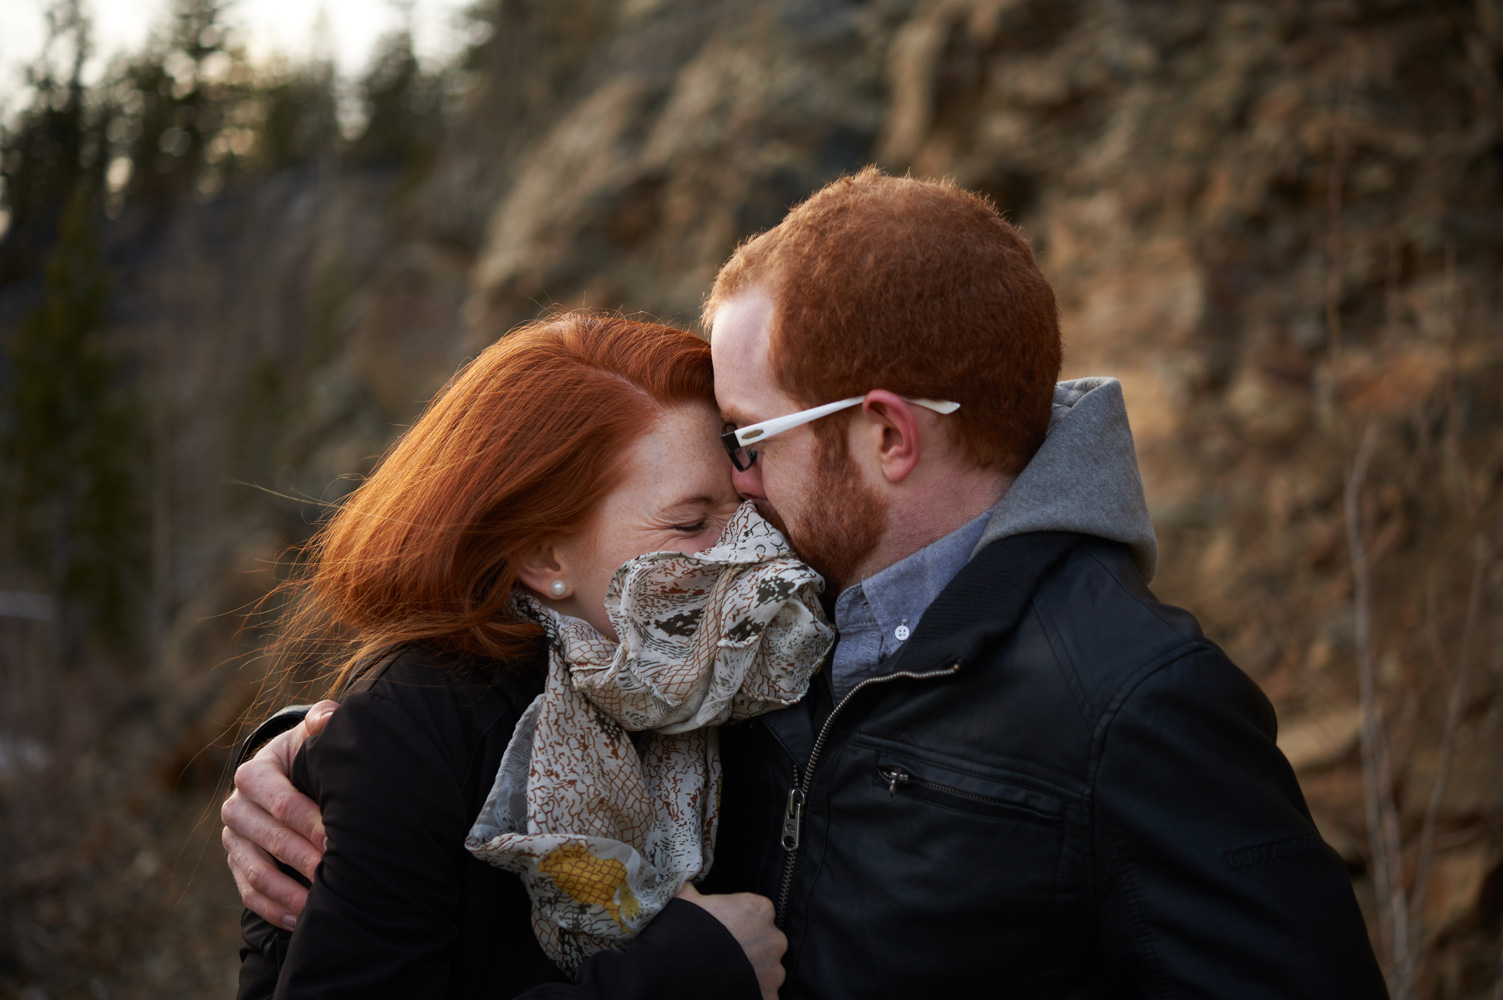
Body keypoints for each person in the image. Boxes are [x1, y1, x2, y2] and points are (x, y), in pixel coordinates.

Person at [225, 169, 1389, 997]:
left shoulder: (1136, 704)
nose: (737, 491)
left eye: (750, 437)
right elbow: (506, 686)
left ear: (887, 439)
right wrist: (316, 759)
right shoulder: (761, 631)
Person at [231, 313, 816, 1000]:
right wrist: (686, 973)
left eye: (748, 511)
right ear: (544, 557)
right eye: (691, 523)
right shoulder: (416, 732)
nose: (748, 549)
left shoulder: (767, 662)